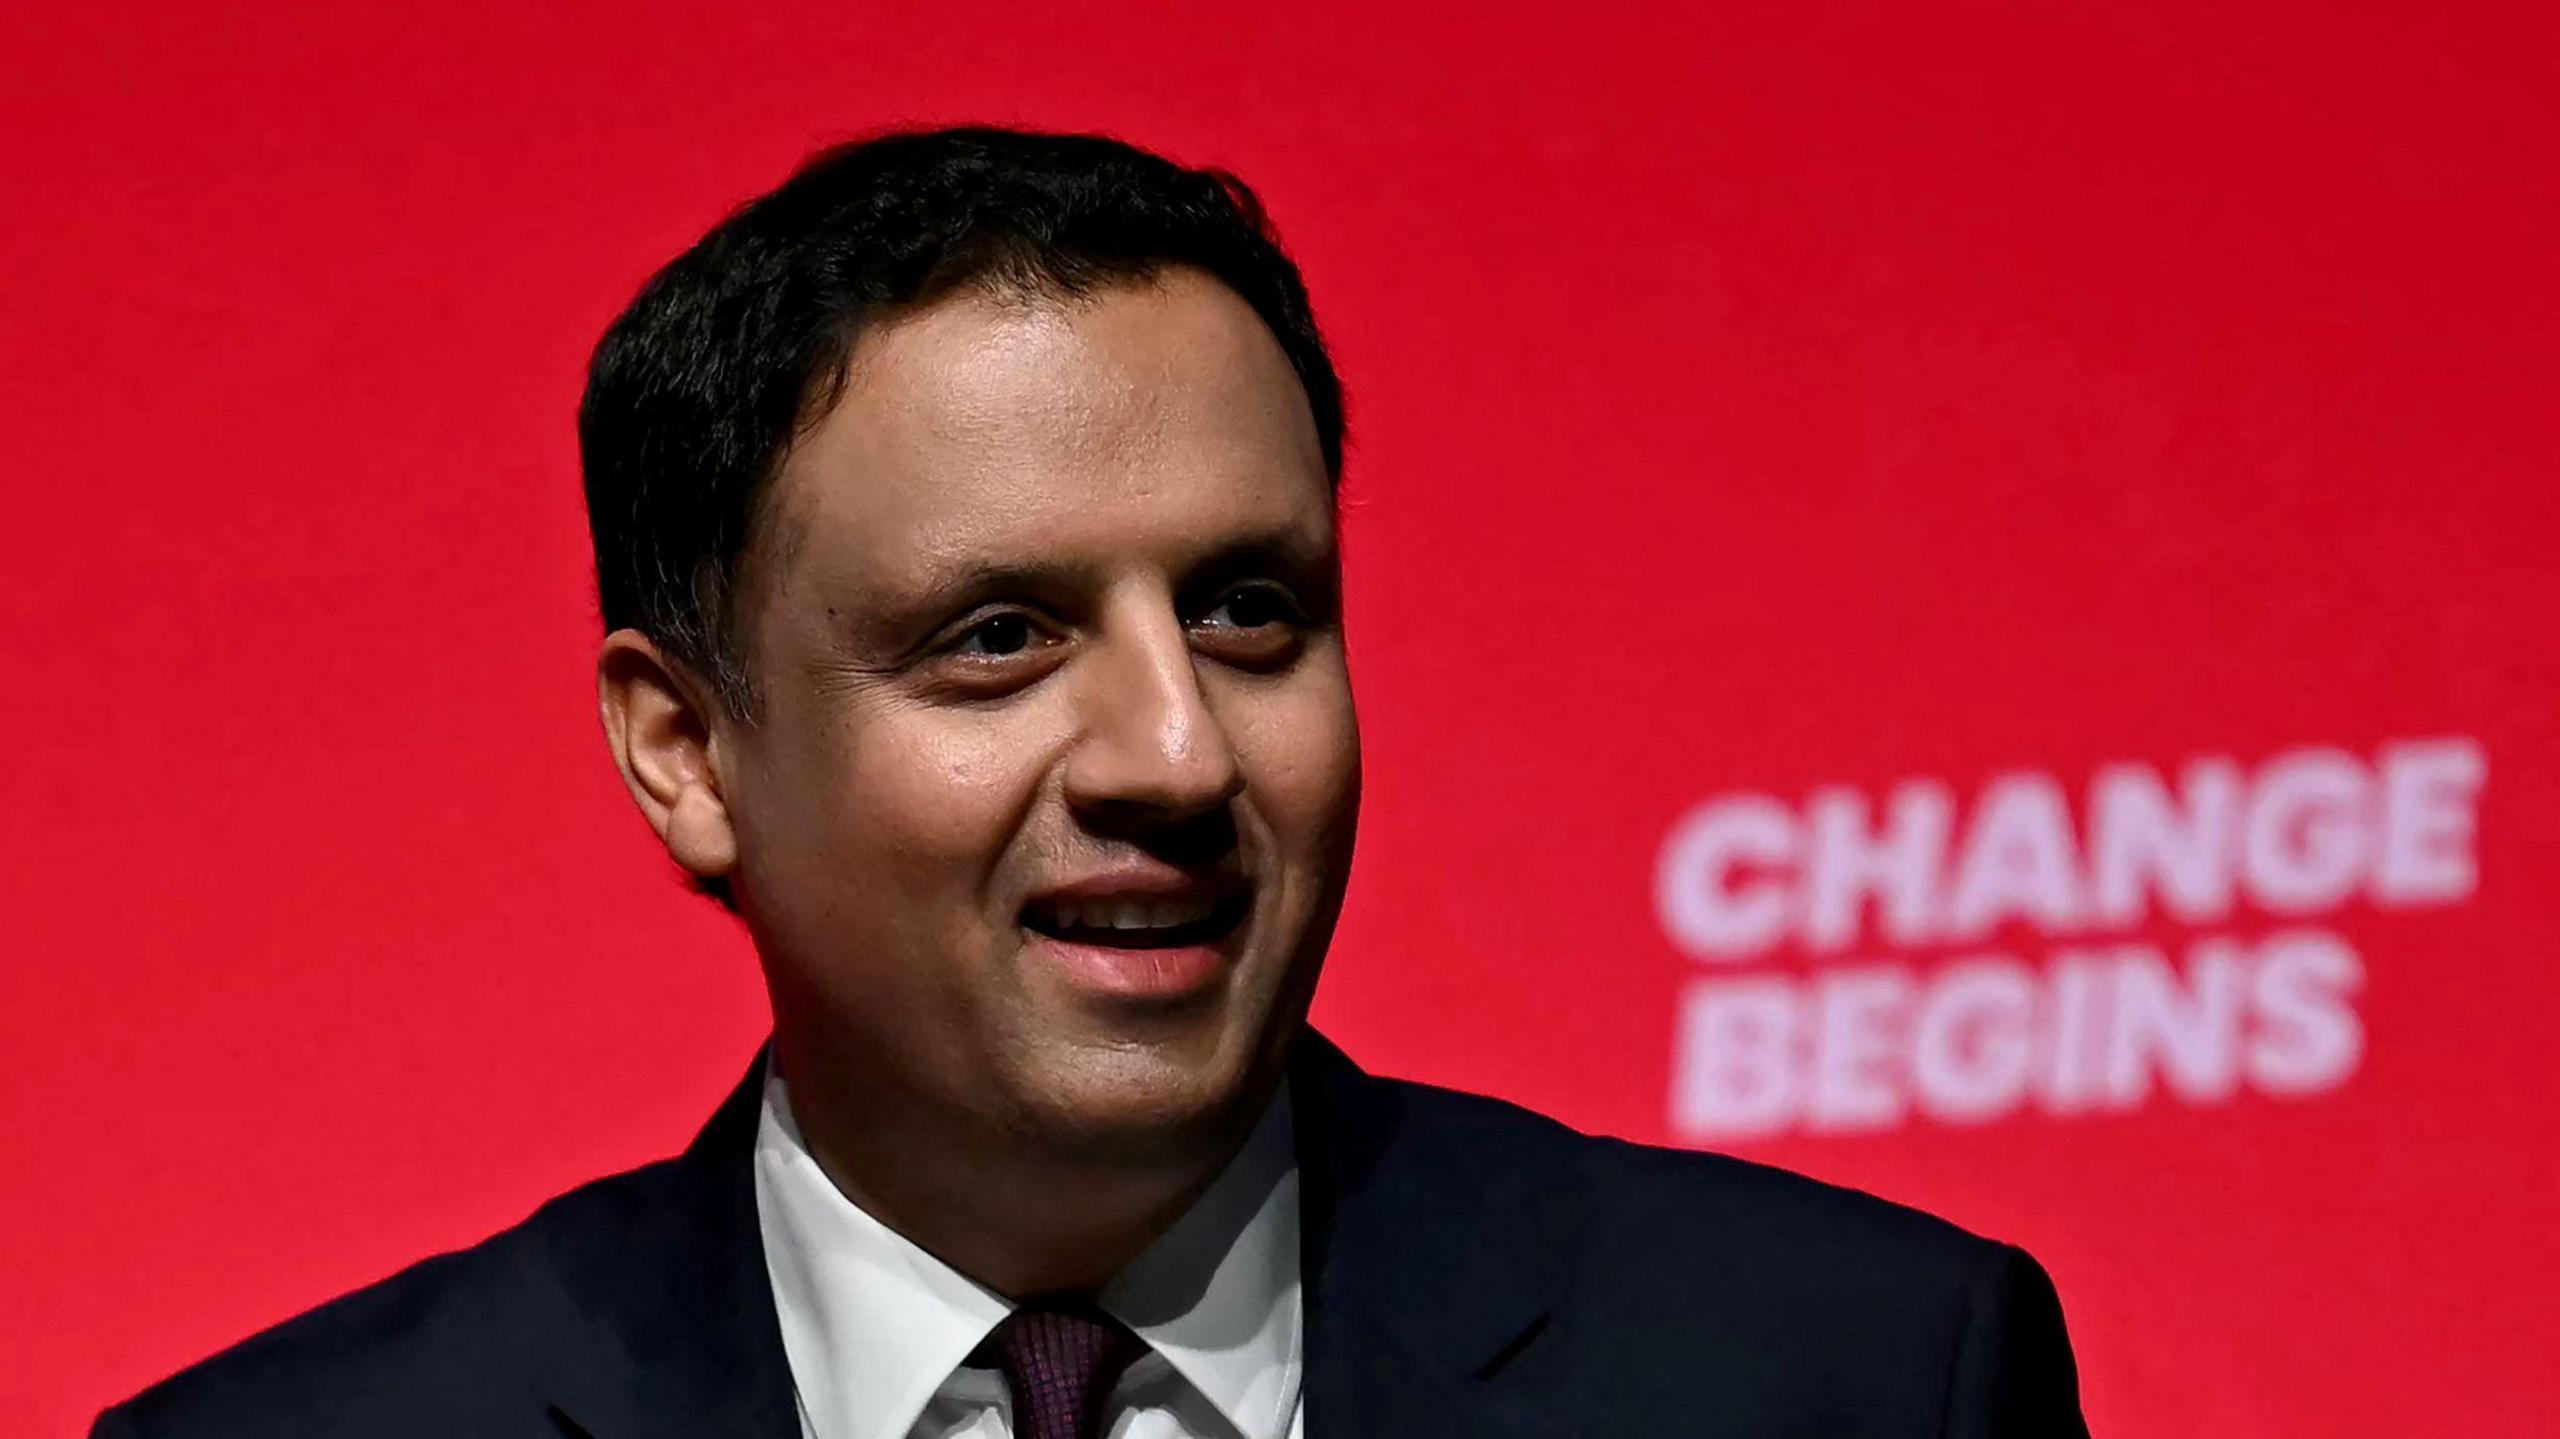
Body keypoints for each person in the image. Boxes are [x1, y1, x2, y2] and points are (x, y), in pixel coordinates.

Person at [93, 127, 2088, 1439]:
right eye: (996, 640)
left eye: (1245, 614)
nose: (1175, 752)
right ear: (684, 753)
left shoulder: (1847, 1378)